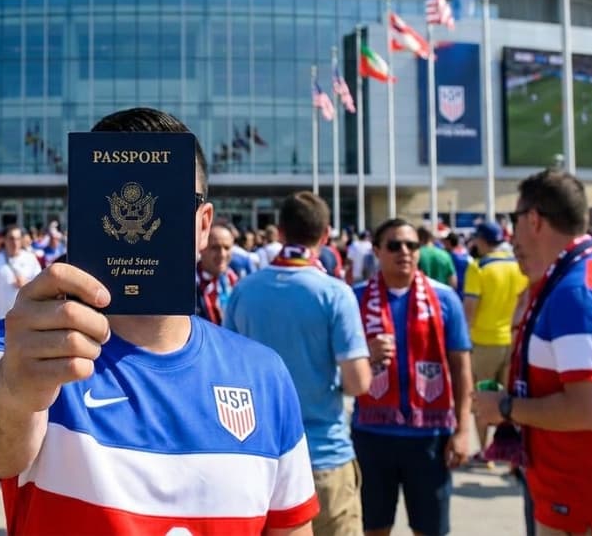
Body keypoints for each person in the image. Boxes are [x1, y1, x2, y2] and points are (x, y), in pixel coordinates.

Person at [0, 108, 319, 532]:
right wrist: (16, 387)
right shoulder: (26, 347)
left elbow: (291, 528)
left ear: (203, 226)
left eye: (167, 200)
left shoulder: (263, 374)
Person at [473, 169, 592, 535]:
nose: (512, 238)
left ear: (534, 219)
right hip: (590, 501)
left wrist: (506, 407)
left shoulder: (578, 292)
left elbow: (589, 410)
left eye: (514, 220)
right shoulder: (583, 278)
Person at [225, 191, 371, 535]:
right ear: (325, 235)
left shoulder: (244, 290)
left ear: (279, 231)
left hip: (259, 458)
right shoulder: (335, 293)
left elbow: (229, 370)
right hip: (324, 455)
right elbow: (358, 383)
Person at [352, 218, 473, 536]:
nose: (404, 252)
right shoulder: (356, 299)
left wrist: (462, 431)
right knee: (374, 527)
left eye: (411, 245)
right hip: (372, 434)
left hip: (430, 437)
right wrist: (366, 352)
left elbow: (461, 368)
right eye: (394, 245)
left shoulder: (445, 299)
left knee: (430, 529)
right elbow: (337, 365)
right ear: (377, 251)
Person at [460, 222, 528, 463]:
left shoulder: (478, 268)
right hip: (512, 340)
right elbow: (524, 300)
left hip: (485, 341)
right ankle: (514, 453)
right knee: (512, 399)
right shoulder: (518, 266)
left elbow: (470, 309)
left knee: (482, 397)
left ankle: (485, 451)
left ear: (482, 240)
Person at [0, 224, 42, 323]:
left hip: (24, 317)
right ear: (4, 240)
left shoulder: (30, 259)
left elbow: (41, 286)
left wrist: (26, 284)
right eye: (11, 238)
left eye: (18, 239)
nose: (14, 242)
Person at [195, 222, 238, 325]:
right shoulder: (187, 285)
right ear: (202, 249)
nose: (222, 254)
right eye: (215, 248)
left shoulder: (234, 281)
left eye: (227, 248)